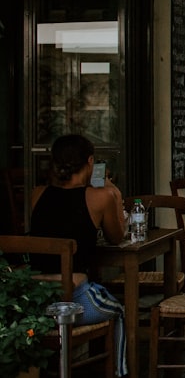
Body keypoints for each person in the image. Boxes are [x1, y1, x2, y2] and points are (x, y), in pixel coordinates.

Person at [28, 134, 128, 377]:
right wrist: (112, 189)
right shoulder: (100, 196)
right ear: (90, 162)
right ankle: (119, 372)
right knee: (120, 311)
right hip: (75, 300)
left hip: (37, 299)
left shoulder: (37, 194)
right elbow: (117, 236)